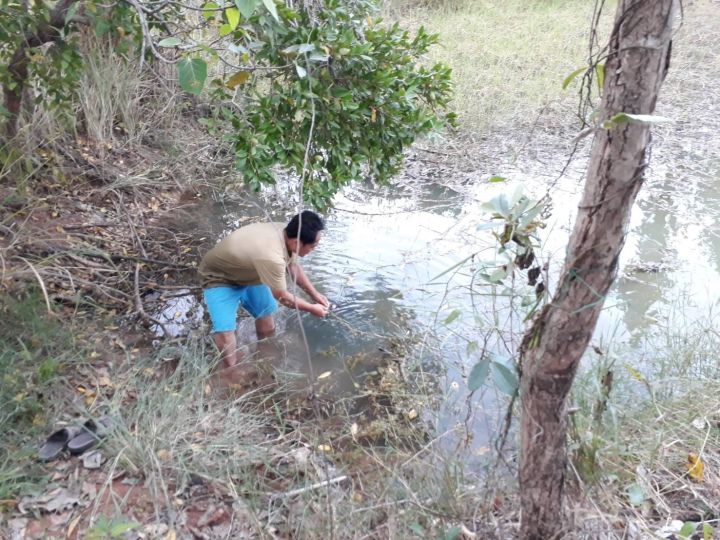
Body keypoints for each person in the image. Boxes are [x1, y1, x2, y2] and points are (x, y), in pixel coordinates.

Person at [198, 211, 330, 368]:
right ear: (296, 242)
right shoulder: (271, 257)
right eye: (313, 246)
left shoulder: (287, 232)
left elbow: (293, 266)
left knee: (266, 315)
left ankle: (266, 358)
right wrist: (311, 308)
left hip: (250, 270)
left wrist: (314, 294)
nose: (314, 249)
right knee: (226, 333)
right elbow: (283, 297)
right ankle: (231, 372)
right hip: (219, 277)